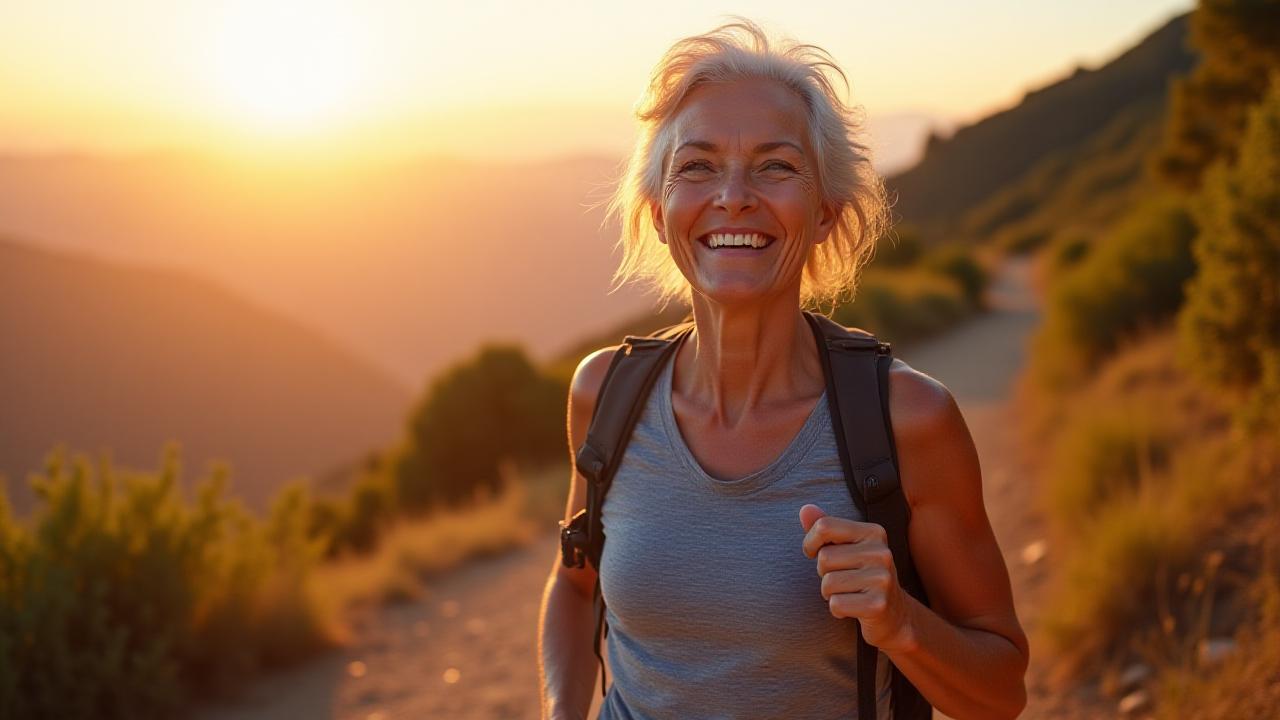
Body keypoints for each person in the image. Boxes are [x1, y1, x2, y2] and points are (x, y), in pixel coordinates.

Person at [538, 18, 1028, 720]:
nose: (733, 195)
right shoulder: (604, 395)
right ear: (658, 209)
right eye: (697, 166)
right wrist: (562, 711)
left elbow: (1001, 691)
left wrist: (901, 624)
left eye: (776, 165)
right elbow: (576, 587)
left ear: (826, 210)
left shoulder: (909, 422)